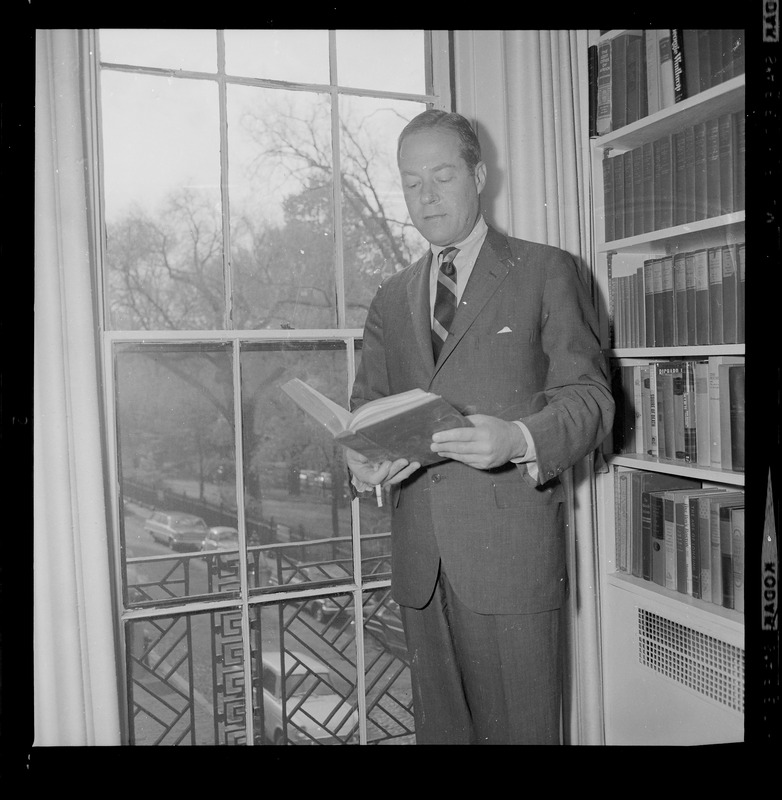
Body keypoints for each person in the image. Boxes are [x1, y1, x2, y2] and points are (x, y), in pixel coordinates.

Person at [345, 109, 614, 745]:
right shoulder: (390, 297)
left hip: (511, 563)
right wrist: (361, 464)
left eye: (442, 175)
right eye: (412, 182)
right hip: (420, 568)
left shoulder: (547, 270)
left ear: (479, 175)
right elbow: (368, 413)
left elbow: (593, 402)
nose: (427, 195)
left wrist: (517, 440)